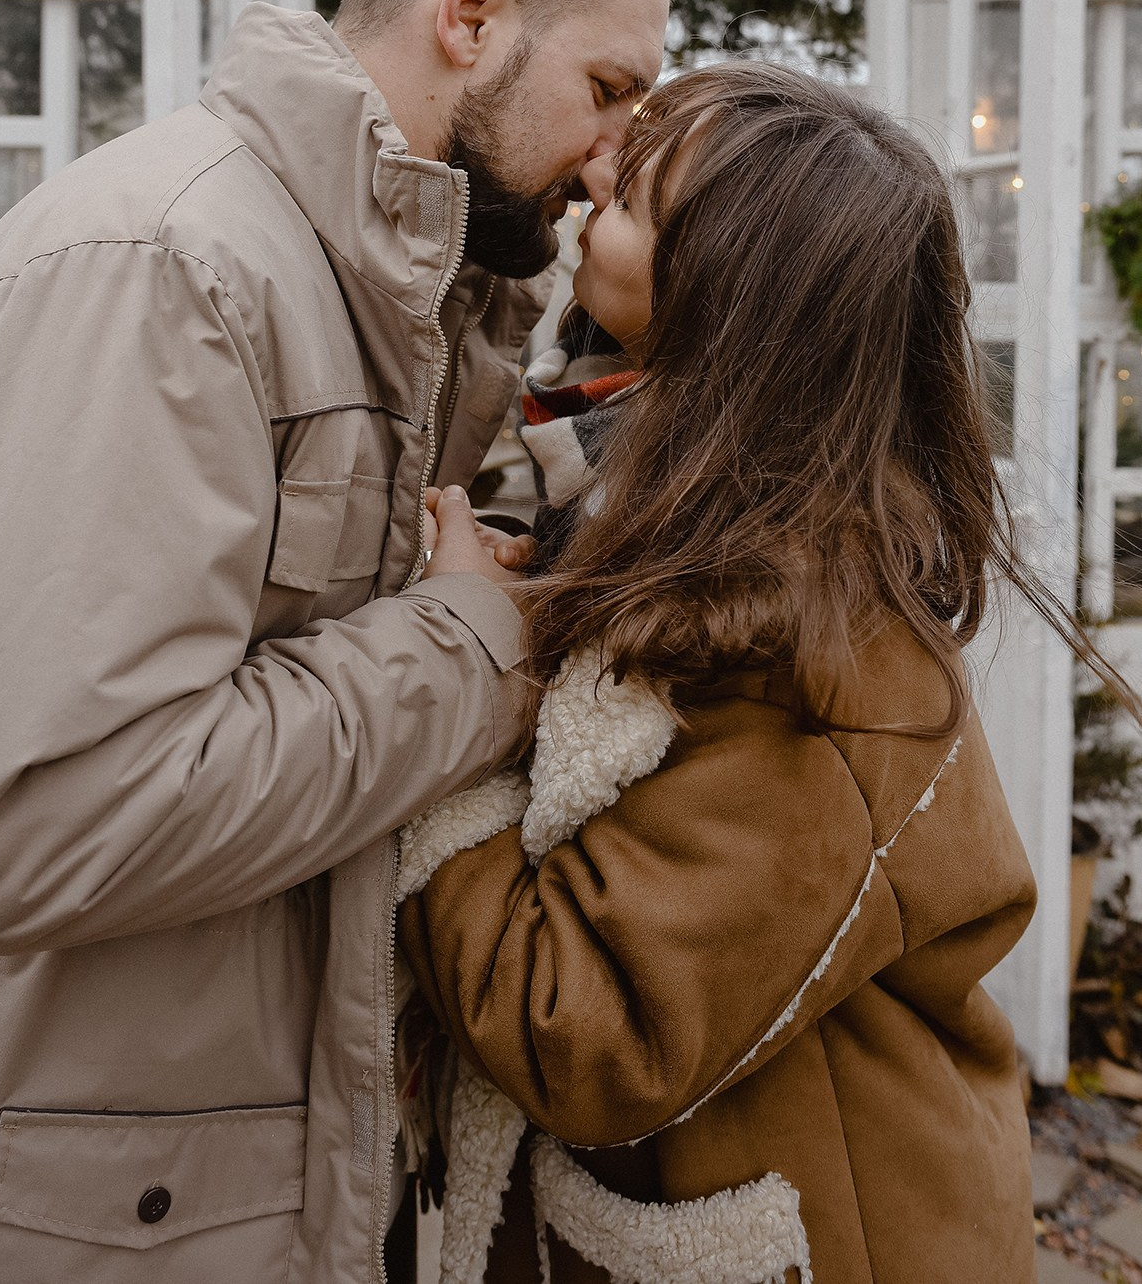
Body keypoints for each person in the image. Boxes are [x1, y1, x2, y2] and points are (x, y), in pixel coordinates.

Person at [0, 0, 673, 1284]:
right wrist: (474, 643)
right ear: (471, 12)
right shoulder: (166, 265)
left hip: (260, 1169)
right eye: (607, 90)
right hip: (117, 1216)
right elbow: (43, 821)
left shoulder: (391, 285)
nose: (612, 156)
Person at [398, 62, 1131, 1284]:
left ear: (725, 301)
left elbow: (581, 1029)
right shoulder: (680, 512)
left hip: (833, 1239)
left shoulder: (816, 650)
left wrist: (446, 697)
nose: (595, 164)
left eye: (636, 189)